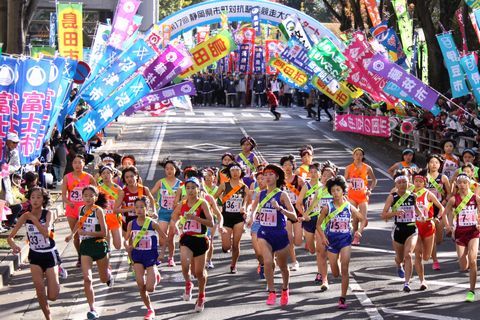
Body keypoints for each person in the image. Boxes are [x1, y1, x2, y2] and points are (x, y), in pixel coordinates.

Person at [7, 187, 60, 320]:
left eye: (38, 197)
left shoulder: (48, 214)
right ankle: (48, 317)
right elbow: (10, 237)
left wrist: (34, 219)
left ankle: (57, 271)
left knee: (52, 296)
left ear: (43, 200)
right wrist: (13, 246)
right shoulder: (25, 216)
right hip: (35, 255)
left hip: (49, 254)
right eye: (33, 197)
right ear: (29, 200)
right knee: (40, 290)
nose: (35, 200)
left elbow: (46, 234)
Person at [250, 164, 298, 306]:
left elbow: (294, 216)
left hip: (280, 234)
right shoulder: (260, 194)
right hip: (264, 233)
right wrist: (250, 217)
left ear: (277, 177)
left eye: (271, 174)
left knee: (283, 266)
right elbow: (253, 210)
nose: (267, 177)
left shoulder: (282, 195)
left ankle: (285, 288)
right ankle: (271, 292)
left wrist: (280, 209)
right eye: (265, 175)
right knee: (268, 262)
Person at [317, 176, 365, 309]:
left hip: (345, 240)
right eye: (333, 190)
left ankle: (342, 298)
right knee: (336, 272)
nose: (335, 193)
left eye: (338, 190)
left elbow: (363, 219)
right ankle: (335, 266)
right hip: (331, 240)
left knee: (345, 268)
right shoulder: (327, 207)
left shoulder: (349, 206)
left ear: (343, 191)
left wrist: (359, 231)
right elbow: (318, 224)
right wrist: (322, 237)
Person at [65, 186, 112, 320]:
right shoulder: (81, 209)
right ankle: (92, 309)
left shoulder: (98, 211)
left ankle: (108, 275)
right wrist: (71, 234)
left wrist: (87, 233)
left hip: (99, 245)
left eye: (91, 195)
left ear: (96, 197)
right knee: (87, 278)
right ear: (82, 197)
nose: (88, 198)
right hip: (85, 247)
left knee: (103, 279)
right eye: (85, 195)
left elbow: (104, 232)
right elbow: (79, 224)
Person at [170, 177, 214, 312]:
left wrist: (196, 218)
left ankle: (201, 295)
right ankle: (188, 283)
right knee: (184, 263)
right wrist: (176, 226)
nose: (190, 190)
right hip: (187, 238)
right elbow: (174, 218)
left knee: (199, 272)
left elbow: (211, 223)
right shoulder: (182, 204)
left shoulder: (203, 203)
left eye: (193, 187)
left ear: (198, 189)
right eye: (187, 188)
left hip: (200, 239)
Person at [381, 170, 425, 293]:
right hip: (398, 229)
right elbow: (383, 215)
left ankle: (406, 283)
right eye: (399, 182)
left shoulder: (412, 196)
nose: (402, 184)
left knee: (408, 255)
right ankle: (398, 264)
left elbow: (416, 209)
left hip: (411, 228)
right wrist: (395, 213)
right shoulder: (392, 197)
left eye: (404, 181)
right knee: (400, 258)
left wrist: (421, 215)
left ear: (408, 182)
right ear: (396, 184)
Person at [124, 197, 166, 320]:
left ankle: (156, 274)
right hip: (137, 255)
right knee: (141, 285)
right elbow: (126, 239)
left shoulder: (153, 223)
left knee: (150, 288)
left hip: (150, 256)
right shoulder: (131, 224)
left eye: (142, 207)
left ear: (147, 208)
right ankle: (149, 309)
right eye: (136, 207)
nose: (139, 210)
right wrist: (127, 246)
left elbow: (165, 238)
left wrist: (162, 253)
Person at [298, 161, 337, 290]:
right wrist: (304, 215)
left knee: (332, 254)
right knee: (320, 252)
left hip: (335, 226)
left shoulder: (337, 190)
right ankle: (322, 276)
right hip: (320, 224)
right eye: (325, 175)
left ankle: (332, 269)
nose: (326, 178)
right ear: (322, 177)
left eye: (329, 175)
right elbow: (313, 204)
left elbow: (345, 206)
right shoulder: (319, 190)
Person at [445, 174, 480, 302]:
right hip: (460, 233)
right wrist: (449, 226)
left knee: (473, 260)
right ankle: (466, 266)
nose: (463, 185)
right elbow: (446, 213)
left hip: (473, 232)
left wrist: (479, 223)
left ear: (469, 183)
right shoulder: (454, 200)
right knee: (463, 265)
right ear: (457, 184)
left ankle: (471, 291)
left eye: (465, 182)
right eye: (460, 183)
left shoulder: (475, 198)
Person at [214, 163, 250, 273]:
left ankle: (233, 265)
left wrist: (245, 209)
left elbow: (248, 201)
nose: (235, 173)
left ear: (241, 172)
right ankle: (226, 244)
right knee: (226, 247)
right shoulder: (224, 185)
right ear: (229, 172)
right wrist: (217, 209)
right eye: (233, 170)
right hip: (226, 217)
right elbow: (213, 198)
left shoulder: (244, 187)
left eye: (237, 170)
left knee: (236, 244)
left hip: (238, 218)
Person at [411, 169, 444, 290]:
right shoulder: (410, 194)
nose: (418, 183)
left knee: (426, 257)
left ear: (424, 183)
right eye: (416, 181)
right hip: (415, 226)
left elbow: (441, 207)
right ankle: (422, 280)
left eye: (420, 181)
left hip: (429, 226)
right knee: (418, 255)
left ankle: (423, 272)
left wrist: (437, 218)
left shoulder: (428, 194)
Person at [61, 154, 96, 267]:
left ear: (84, 164)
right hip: (72, 209)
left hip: (86, 209)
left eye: (80, 162)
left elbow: (97, 192)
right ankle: (80, 256)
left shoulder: (89, 177)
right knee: (75, 234)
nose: (77, 165)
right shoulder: (67, 177)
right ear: (72, 164)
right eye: (75, 162)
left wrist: (91, 202)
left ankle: (90, 254)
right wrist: (69, 202)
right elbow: (63, 196)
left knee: (88, 234)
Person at [150, 160, 182, 266]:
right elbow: (151, 194)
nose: (169, 171)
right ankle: (162, 253)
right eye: (167, 168)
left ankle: (170, 257)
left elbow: (185, 199)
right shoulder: (160, 182)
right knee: (162, 237)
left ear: (175, 170)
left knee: (171, 237)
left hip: (175, 213)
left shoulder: (180, 184)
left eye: (171, 168)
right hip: (163, 212)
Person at [344, 148, 377, 245]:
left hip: (363, 195)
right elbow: (344, 180)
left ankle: (357, 235)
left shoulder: (367, 168)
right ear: (353, 156)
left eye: (360, 155)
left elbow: (374, 180)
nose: (358, 156)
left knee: (363, 217)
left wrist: (370, 189)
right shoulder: (348, 168)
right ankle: (354, 233)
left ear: (363, 156)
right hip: (352, 195)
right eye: (356, 154)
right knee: (354, 217)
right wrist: (346, 187)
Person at [425, 154, 451, 271]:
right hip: (427, 209)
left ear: (440, 165)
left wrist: (445, 201)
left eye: (436, 162)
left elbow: (449, 193)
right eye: (431, 162)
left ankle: (431, 250)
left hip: (440, 208)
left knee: (439, 239)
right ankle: (435, 260)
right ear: (428, 164)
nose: (434, 164)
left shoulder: (443, 178)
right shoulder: (424, 177)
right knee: (432, 236)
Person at [115, 167, 156, 237]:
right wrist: (131, 209)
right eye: (126, 177)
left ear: (136, 176)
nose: (129, 179)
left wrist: (154, 211)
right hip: (128, 221)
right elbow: (115, 210)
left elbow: (152, 200)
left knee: (144, 240)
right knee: (131, 244)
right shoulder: (123, 192)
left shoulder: (144, 189)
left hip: (143, 219)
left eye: (131, 176)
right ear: (124, 179)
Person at [280, 154, 304, 271]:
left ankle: (302, 236)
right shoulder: (279, 181)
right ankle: (294, 261)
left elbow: (307, 194)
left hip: (297, 210)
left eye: (290, 165)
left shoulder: (299, 180)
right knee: (289, 238)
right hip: (285, 211)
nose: (287, 167)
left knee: (298, 241)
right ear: (282, 167)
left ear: (293, 166)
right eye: (285, 165)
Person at [97, 165, 123, 250]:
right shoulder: (98, 189)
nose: (106, 175)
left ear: (112, 174)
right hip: (103, 219)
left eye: (108, 173)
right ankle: (107, 262)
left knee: (118, 245)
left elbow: (122, 204)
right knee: (106, 247)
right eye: (103, 173)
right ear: (100, 176)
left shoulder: (118, 189)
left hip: (115, 218)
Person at [247, 170, 267, 279]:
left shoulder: (277, 192)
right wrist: (251, 217)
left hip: (270, 225)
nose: (260, 181)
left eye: (262, 178)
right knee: (259, 253)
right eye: (258, 179)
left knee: (269, 253)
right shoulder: (258, 193)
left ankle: (269, 275)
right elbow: (253, 207)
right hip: (257, 223)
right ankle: (262, 264)